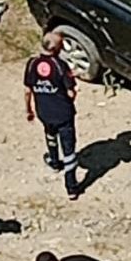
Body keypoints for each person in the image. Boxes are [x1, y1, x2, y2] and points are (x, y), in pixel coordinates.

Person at [24, 32, 80, 201]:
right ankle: (71, 187)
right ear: (56, 48)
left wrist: (28, 110)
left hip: (44, 112)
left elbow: (28, 90)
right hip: (63, 113)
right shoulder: (60, 65)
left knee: (50, 134)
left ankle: (54, 162)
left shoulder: (32, 64)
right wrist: (73, 89)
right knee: (69, 150)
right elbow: (70, 93)